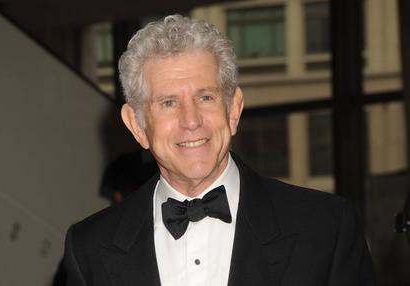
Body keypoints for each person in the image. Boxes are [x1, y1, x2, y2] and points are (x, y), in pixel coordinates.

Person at [63, 15, 375, 286]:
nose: (191, 121)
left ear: (234, 110)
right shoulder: (89, 248)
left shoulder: (325, 229)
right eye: (169, 103)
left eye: (206, 97)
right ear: (137, 126)